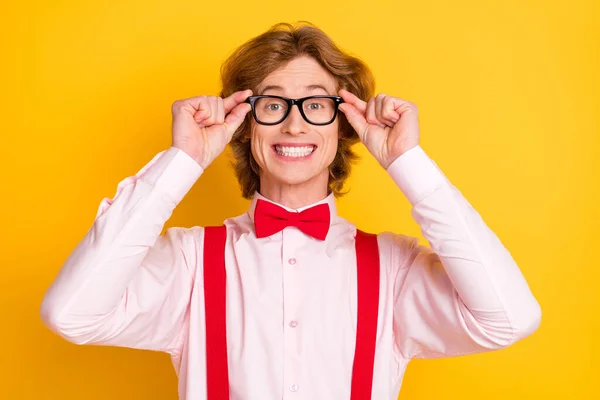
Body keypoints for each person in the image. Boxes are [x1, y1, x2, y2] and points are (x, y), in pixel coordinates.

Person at [40, 22, 541, 400]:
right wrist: (181, 162)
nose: (294, 126)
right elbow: (71, 313)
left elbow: (510, 319)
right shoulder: (190, 263)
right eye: (273, 104)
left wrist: (407, 163)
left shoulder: (394, 270)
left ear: (343, 124)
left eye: (316, 105)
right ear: (245, 122)